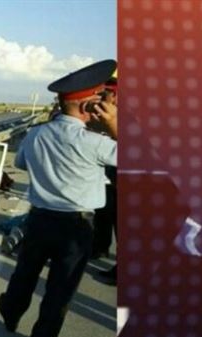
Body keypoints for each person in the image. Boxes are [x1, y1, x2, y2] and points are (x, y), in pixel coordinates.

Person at [0, 59, 118, 337]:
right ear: (89, 105)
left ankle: (10, 315)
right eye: (101, 98)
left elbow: (22, 164)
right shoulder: (95, 143)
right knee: (59, 290)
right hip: (76, 229)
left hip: (39, 219)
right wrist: (114, 125)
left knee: (25, 273)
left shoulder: (36, 134)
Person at [90, 71, 118, 285]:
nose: (103, 98)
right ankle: (100, 247)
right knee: (104, 211)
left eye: (107, 93)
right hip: (110, 173)